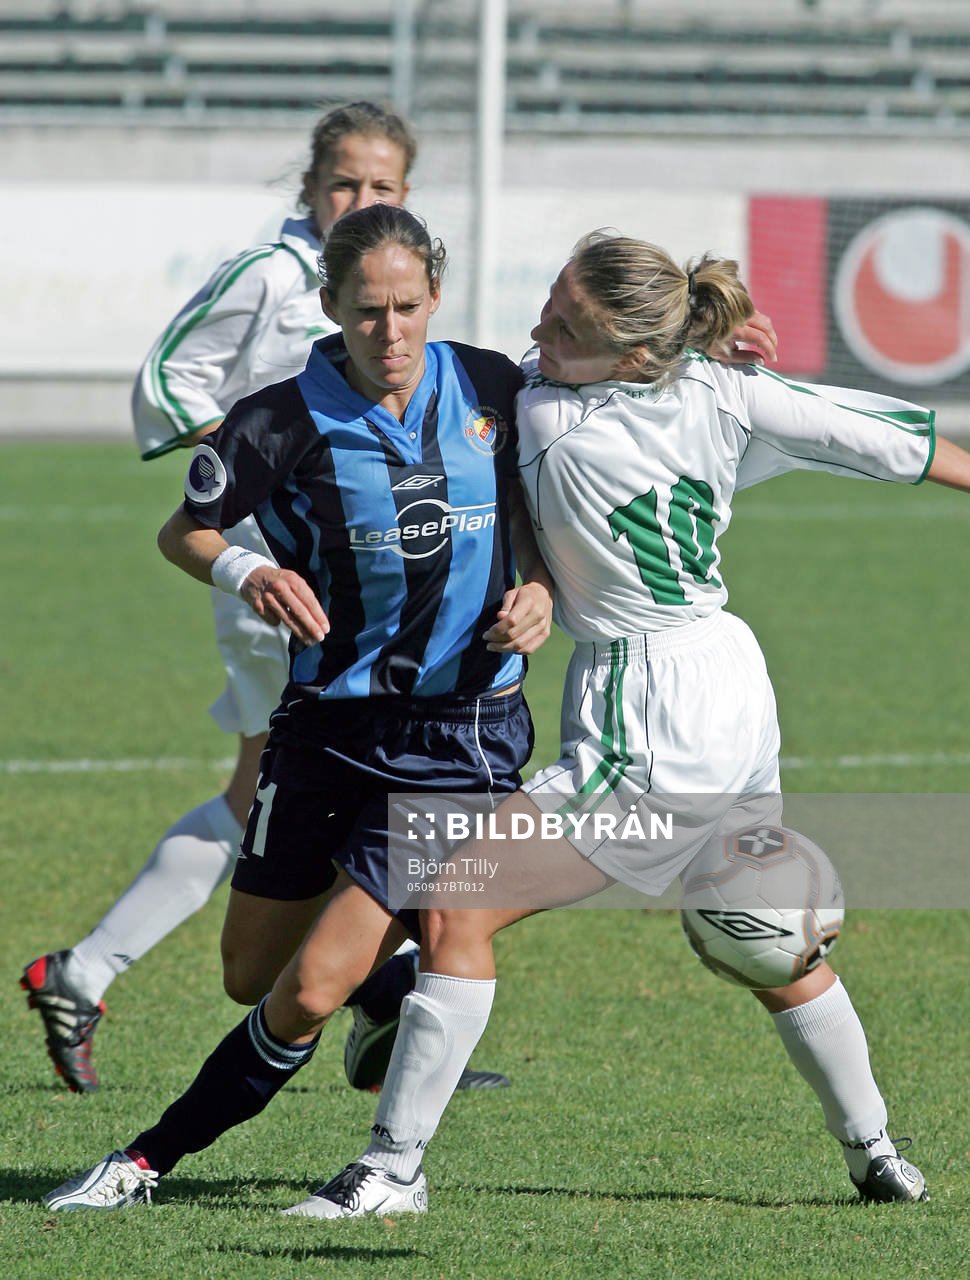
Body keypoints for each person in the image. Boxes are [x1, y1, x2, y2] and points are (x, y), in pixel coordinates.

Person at [262, 228, 970, 1220]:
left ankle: (391, 1171)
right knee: (764, 930)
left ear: (634, 354)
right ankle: (877, 1152)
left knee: (456, 905)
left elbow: (457, 409)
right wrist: (717, 358)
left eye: (566, 328)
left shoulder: (543, 412)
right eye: (550, 305)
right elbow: (896, 442)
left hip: (648, 714)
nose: (538, 332)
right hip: (731, 684)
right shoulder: (726, 392)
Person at [41, 202, 557, 1214]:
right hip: (325, 726)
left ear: (436, 296)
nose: (390, 331)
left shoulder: (494, 388)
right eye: (367, 310)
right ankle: (375, 949)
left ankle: (143, 1163)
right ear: (329, 306)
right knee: (249, 974)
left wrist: (535, 587)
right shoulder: (278, 420)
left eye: (407, 306)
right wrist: (249, 571)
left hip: (457, 737)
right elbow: (185, 530)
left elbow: (543, 509)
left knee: (313, 988)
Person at [19, 102, 500, 1096]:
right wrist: (264, 472)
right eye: (343, 183)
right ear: (308, 186)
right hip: (288, 580)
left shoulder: (408, 309)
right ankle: (371, 986)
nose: (359, 200)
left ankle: (106, 971)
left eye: (381, 187)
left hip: (354, 576)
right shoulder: (270, 275)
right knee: (336, 790)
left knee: (268, 799)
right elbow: (167, 380)